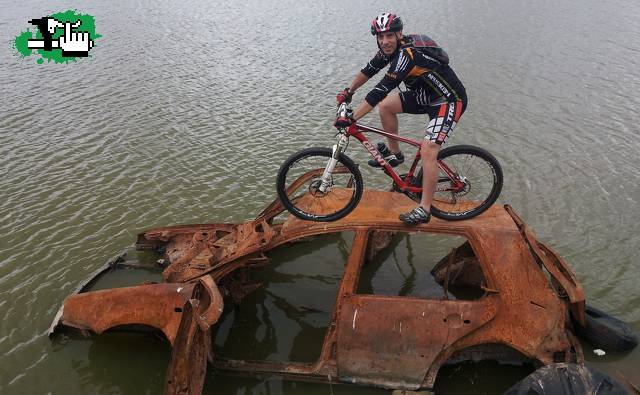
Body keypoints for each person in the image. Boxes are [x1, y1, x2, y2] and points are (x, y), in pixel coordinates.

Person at [336, 12, 468, 225]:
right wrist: (348, 91)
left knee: (428, 150)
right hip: (424, 95)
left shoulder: (407, 55)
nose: (385, 41)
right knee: (386, 106)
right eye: (380, 37)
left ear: (399, 34)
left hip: (448, 100)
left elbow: (379, 90)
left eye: (389, 36)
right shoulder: (388, 50)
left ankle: (424, 209)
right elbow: (368, 71)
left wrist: (351, 118)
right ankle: (396, 154)